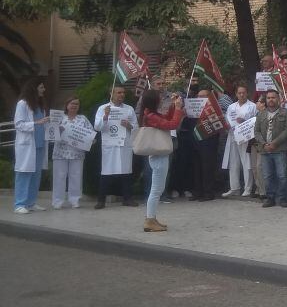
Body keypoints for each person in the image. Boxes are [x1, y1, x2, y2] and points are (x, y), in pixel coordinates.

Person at [138, 89, 184, 232]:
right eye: (159, 98)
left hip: (158, 154)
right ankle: (149, 220)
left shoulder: (149, 114)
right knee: (156, 189)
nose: (160, 99)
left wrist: (173, 106)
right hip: (159, 155)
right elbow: (171, 125)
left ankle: (151, 218)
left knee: (157, 188)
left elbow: (167, 119)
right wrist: (177, 109)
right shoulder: (151, 116)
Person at [94, 85, 139, 209]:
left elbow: (136, 127)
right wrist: (105, 116)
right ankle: (101, 200)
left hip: (124, 144)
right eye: (119, 92)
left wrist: (129, 125)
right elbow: (97, 127)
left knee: (126, 171)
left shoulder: (129, 109)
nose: (122, 95)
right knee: (107, 171)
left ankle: (127, 198)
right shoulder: (103, 108)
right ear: (111, 94)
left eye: (123, 92)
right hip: (110, 144)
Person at [12, 78, 48, 214]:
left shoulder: (39, 105)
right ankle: (19, 204)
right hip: (27, 146)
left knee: (35, 175)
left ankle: (31, 202)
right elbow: (19, 124)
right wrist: (36, 123)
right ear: (34, 88)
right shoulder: (23, 104)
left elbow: (42, 123)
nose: (44, 90)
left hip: (39, 145)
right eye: (41, 87)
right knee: (24, 173)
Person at [51, 96, 92, 209]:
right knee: (59, 176)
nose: (74, 106)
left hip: (77, 153)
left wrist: (91, 140)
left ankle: (75, 199)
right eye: (72, 103)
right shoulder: (59, 118)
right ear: (66, 105)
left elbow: (90, 133)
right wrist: (58, 131)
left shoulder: (83, 119)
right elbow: (50, 135)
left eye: (77, 104)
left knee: (76, 176)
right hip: (60, 152)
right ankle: (57, 201)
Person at [254, 89, 287, 208]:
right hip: (264, 150)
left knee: (282, 175)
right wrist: (264, 144)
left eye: (273, 97)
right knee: (267, 176)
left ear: (278, 99)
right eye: (268, 98)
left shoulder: (285, 113)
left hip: (279, 149)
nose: (271, 100)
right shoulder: (261, 114)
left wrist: (274, 143)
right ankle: (270, 198)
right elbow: (256, 131)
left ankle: (283, 198)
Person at [223, 82, 257, 197]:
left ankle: (248, 188)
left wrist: (244, 122)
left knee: (246, 162)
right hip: (233, 136)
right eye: (239, 93)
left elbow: (256, 121)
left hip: (246, 137)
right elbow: (227, 120)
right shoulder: (231, 107)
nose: (241, 95)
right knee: (233, 162)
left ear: (247, 93)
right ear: (236, 94)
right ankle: (234, 187)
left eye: (243, 93)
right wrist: (227, 125)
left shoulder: (252, 106)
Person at [190, 90, 220, 202]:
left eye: (203, 96)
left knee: (207, 167)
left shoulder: (214, 108)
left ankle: (208, 192)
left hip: (209, 140)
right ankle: (198, 191)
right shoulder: (193, 107)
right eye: (199, 96)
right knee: (196, 166)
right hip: (196, 139)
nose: (200, 98)